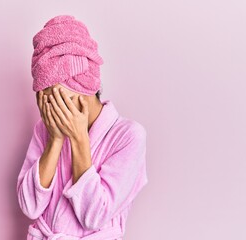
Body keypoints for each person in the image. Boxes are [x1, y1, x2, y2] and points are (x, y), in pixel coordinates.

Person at [16, 15, 148, 240]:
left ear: (84, 89)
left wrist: (79, 139)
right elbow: (29, 207)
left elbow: (95, 216)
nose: (49, 109)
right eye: (43, 100)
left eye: (56, 98)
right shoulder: (44, 129)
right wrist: (54, 141)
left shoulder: (128, 136)